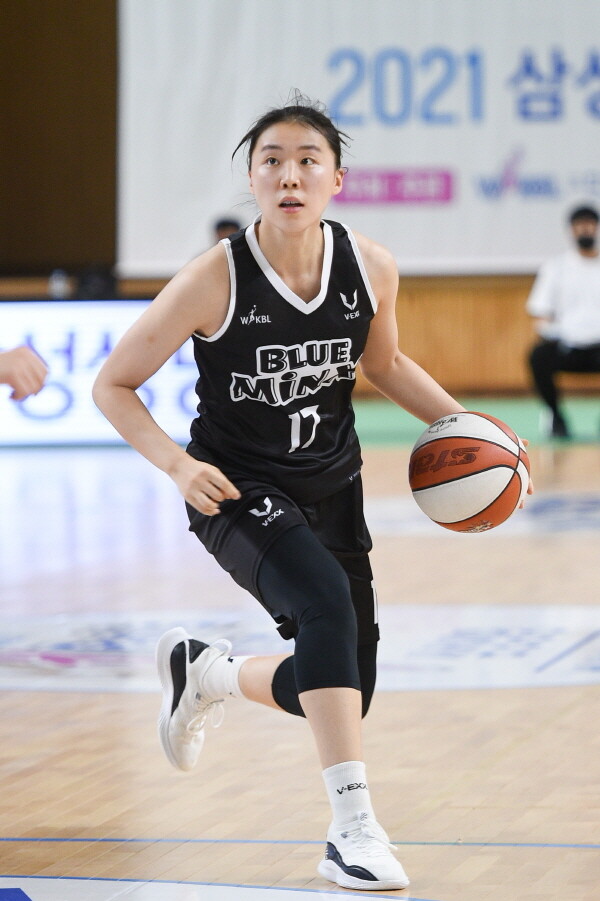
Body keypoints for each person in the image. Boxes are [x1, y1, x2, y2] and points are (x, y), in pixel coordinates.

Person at [93, 95, 523, 892]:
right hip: (235, 488)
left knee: (346, 685)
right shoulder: (214, 278)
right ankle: (352, 828)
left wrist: (475, 428)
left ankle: (208, 674)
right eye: (272, 161)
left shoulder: (370, 265)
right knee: (325, 606)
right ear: (252, 180)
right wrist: (177, 466)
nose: (289, 175)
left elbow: (385, 365)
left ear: (336, 179)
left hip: (333, 486)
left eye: (306, 161)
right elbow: (113, 384)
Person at [527, 204, 600, 438]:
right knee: (538, 356)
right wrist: (548, 329)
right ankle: (556, 417)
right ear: (572, 230)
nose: (585, 230)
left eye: (590, 224)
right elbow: (541, 312)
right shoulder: (556, 267)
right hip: (568, 347)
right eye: (580, 225)